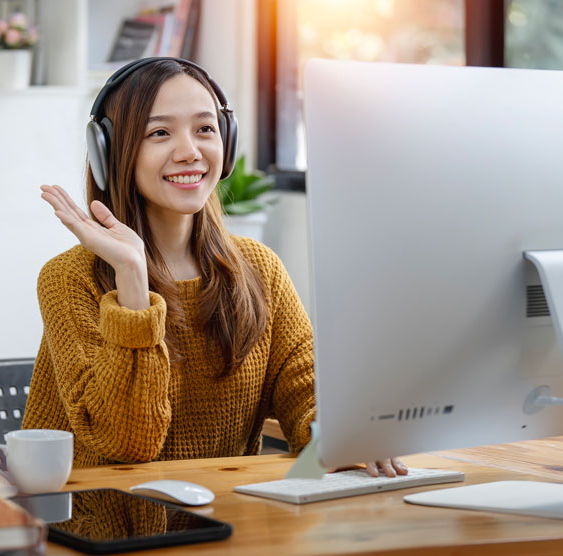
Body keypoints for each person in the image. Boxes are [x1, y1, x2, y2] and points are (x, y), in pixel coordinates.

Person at [23, 57, 406, 477]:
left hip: (232, 520)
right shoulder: (69, 279)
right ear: (110, 153)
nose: (190, 152)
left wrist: (342, 435)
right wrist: (132, 280)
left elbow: (303, 391)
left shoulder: (259, 269)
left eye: (205, 129)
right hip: (107, 533)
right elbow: (127, 444)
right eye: (160, 132)